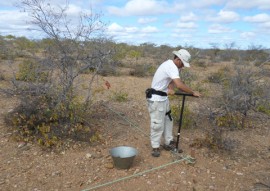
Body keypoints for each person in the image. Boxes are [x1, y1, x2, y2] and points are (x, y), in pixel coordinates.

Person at [146, 49, 201, 157]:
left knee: (168, 120)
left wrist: (170, 88)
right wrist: (192, 92)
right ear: (178, 59)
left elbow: (171, 81)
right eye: (183, 64)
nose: (183, 66)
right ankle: (155, 146)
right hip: (157, 100)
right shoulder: (171, 66)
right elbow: (179, 85)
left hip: (163, 98)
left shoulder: (172, 66)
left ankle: (168, 142)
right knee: (157, 124)